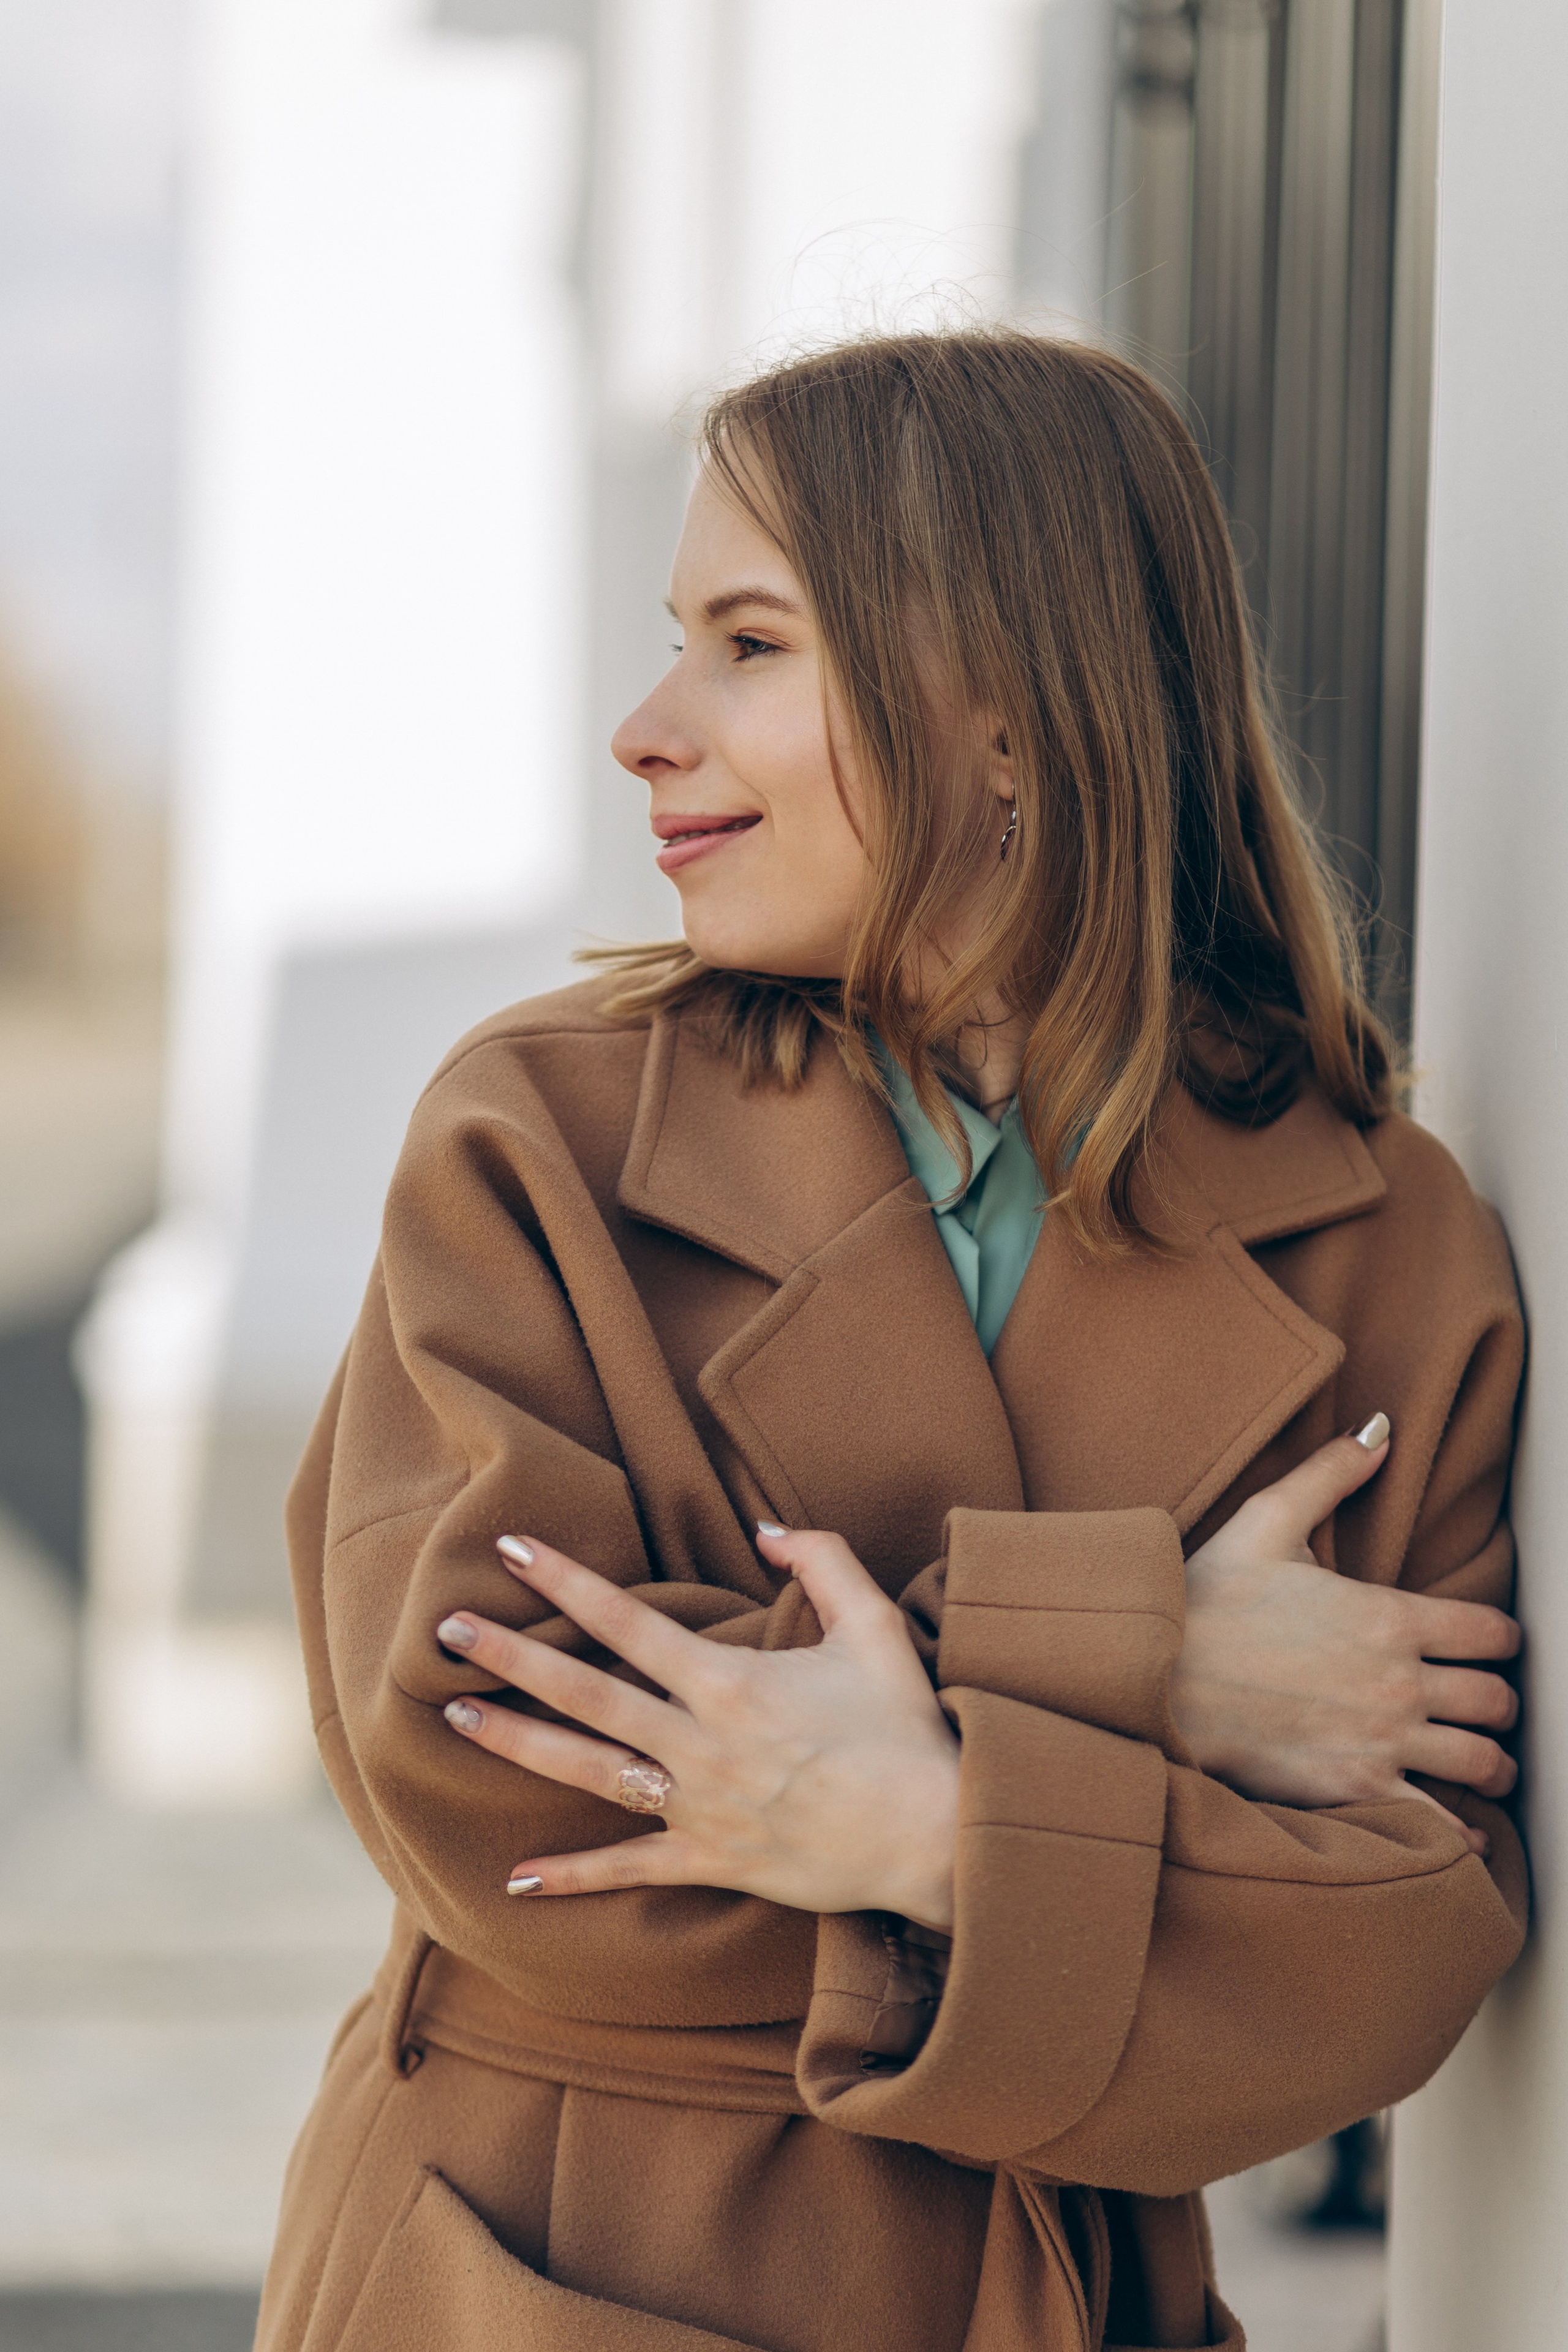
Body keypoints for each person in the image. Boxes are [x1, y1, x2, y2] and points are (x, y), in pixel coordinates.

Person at [256, 333, 1526, 2352]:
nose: (646, 728)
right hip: (544, 2266)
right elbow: (491, 1772)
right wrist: (1154, 1666)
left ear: (1008, 715)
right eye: (680, 641)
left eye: (747, 644)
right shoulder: (539, 1134)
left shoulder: (1391, 1238)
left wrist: (929, 1820)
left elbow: (1383, 1961)